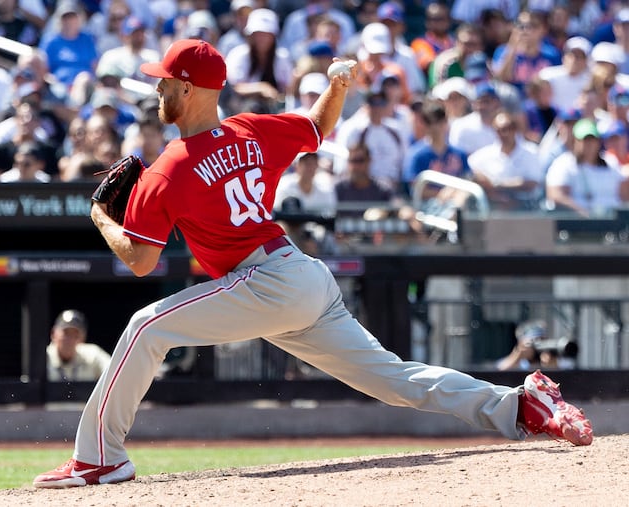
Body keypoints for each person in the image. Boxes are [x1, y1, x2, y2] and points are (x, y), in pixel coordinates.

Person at [33, 39, 592, 489]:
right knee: (397, 380)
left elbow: (139, 261)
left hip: (265, 281)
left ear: (186, 87)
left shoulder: (169, 168)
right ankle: (521, 406)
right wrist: (338, 85)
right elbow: (320, 129)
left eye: (163, 80)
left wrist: (100, 218)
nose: (157, 88)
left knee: (144, 326)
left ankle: (100, 457)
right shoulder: (252, 130)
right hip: (298, 275)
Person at [545, 117, 629, 215]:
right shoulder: (563, 164)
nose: (589, 144)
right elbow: (556, 195)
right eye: (585, 140)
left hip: (614, 225)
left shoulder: (611, 162)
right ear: (575, 141)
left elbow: (624, 194)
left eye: (593, 139)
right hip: (578, 226)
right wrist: (584, 214)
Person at [46, 309, 111, 382]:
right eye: (66, 333)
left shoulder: (92, 355)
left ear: (82, 338)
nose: (70, 339)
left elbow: (113, 371)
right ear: (53, 334)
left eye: (75, 335)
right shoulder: (43, 358)